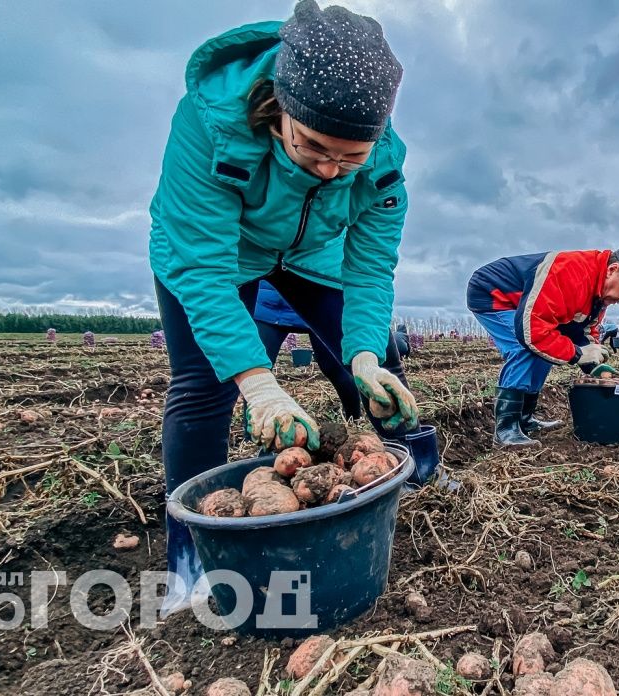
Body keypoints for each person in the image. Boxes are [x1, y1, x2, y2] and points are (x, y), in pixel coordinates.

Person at [148, 1, 419, 615]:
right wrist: (260, 384)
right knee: (201, 387)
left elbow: (370, 268)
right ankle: (191, 561)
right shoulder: (209, 122)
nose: (330, 169)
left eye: (350, 158)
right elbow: (206, 273)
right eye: (314, 148)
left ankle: (410, 465)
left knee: (377, 363)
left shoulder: (382, 169)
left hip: (308, 249)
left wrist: (367, 353)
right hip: (214, 251)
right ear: (280, 107)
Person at [467, 244, 619, 446]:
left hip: (525, 305)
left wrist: (595, 365)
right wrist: (575, 353)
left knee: (546, 351)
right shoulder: (569, 273)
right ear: (612, 270)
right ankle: (506, 428)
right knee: (525, 348)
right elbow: (532, 332)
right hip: (494, 294)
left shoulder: (599, 296)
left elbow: (584, 331)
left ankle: (524, 419)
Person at [252, 281, 407, 419]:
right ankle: (254, 436)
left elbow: (369, 278)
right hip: (268, 306)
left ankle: (353, 418)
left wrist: (365, 358)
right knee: (258, 371)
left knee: (334, 367)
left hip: (316, 301)